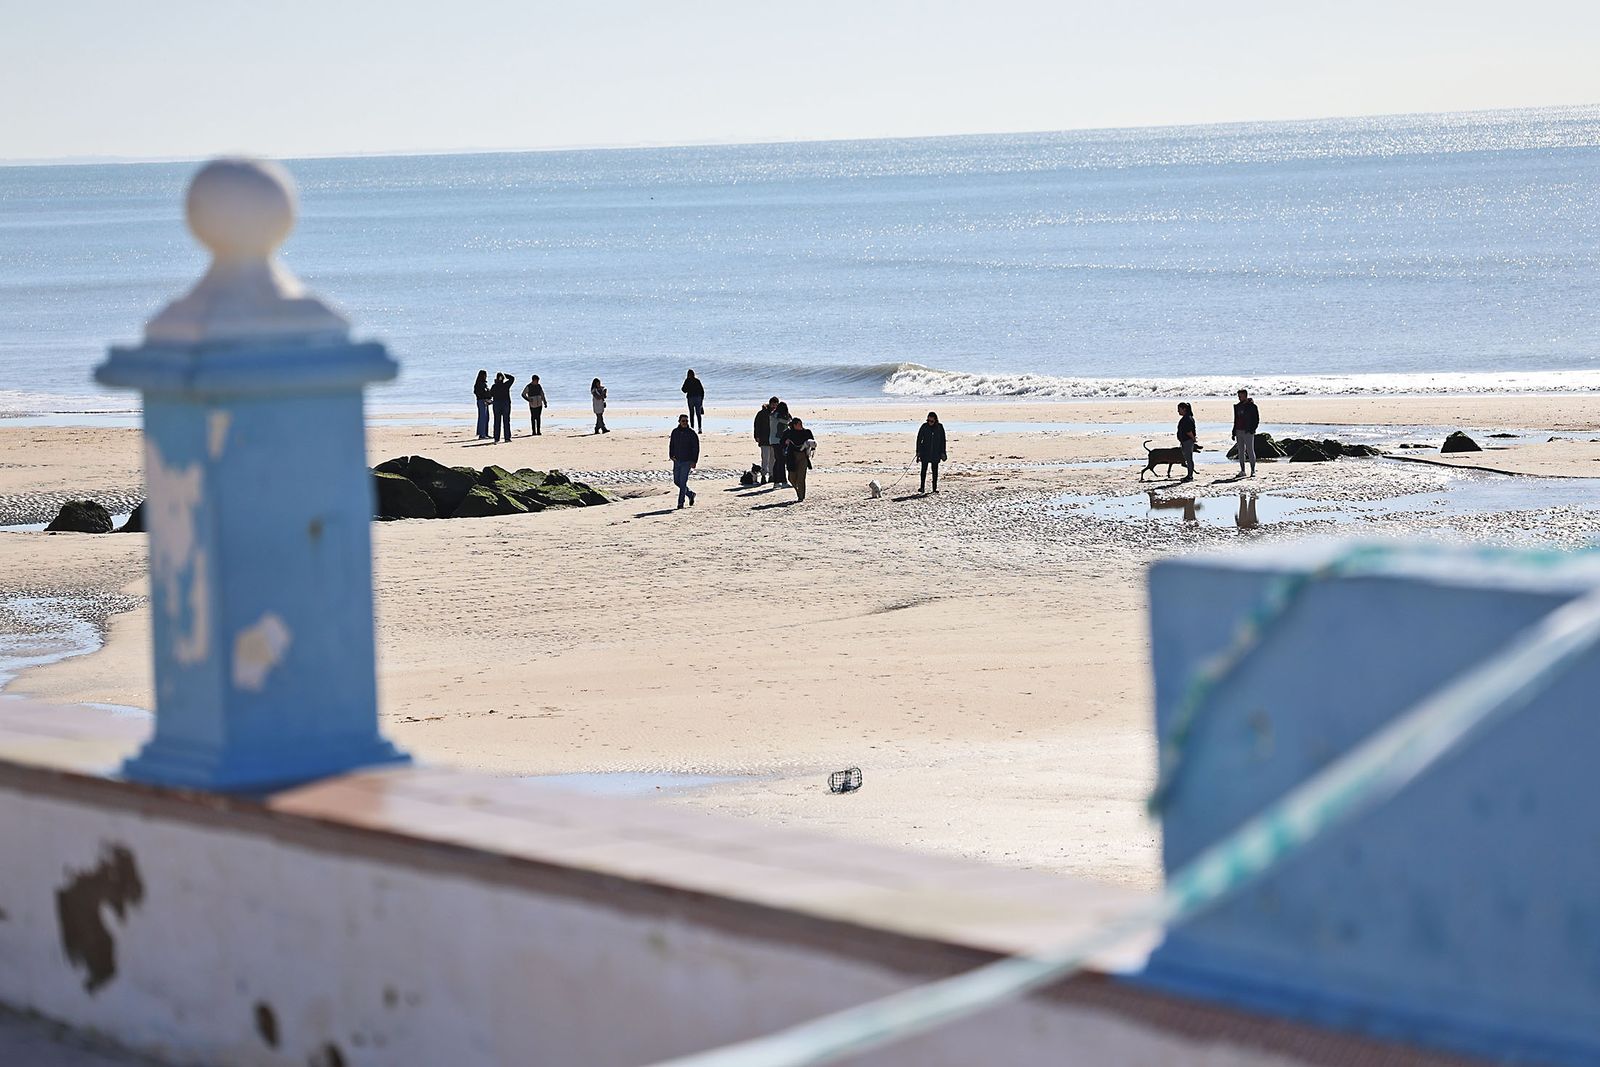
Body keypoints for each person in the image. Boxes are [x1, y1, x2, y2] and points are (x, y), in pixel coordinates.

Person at [781, 416, 816, 502]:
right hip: (791, 457)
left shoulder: (807, 432)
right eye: (799, 424)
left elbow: (813, 443)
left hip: (803, 456)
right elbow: (781, 443)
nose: (801, 425)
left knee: (801, 477)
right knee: (791, 478)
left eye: (801, 423)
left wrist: (810, 445)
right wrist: (786, 442)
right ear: (794, 425)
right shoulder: (788, 432)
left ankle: (801, 496)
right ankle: (797, 491)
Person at [669, 414, 699, 509]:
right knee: (676, 481)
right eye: (683, 421)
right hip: (677, 460)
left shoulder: (691, 433)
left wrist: (694, 461)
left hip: (687, 461)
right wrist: (671, 455)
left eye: (686, 421)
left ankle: (680, 503)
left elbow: (696, 448)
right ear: (679, 421)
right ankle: (690, 494)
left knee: (683, 483)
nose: (685, 423)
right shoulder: (675, 432)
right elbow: (671, 444)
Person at [915, 411, 947, 494]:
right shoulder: (924, 427)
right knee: (923, 471)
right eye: (928, 421)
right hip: (925, 452)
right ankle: (922, 487)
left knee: (935, 471)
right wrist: (918, 452)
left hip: (936, 453)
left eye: (932, 421)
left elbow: (943, 441)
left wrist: (943, 452)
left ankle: (934, 488)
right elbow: (919, 439)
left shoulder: (940, 427)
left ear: (935, 420)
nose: (930, 423)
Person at [1232, 388, 1260, 478]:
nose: (1239, 398)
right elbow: (1235, 420)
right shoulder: (1237, 406)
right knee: (1240, 451)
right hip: (1238, 430)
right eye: (1238, 396)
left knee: (1250, 450)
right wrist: (1233, 432)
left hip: (1248, 431)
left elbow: (1256, 419)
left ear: (1245, 396)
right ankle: (1242, 470)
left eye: (1240, 396)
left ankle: (1252, 470)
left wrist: (1252, 429)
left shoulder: (1252, 406)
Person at [753, 397, 777, 483]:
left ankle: (771, 475)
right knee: (765, 459)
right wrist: (756, 436)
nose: (774, 406)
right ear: (770, 404)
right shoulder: (762, 413)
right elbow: (757, 425)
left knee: (773, 459)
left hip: (774, 440)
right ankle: (763, 476)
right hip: (764, 439)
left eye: (775, 404)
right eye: (773, 404)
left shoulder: (777, 413)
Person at [768, 402, 790, 487]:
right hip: (778, 441)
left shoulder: (773, 415)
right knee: (781, 461)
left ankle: (777, 482)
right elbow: (787, 422)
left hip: (774, 440)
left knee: (778, 460)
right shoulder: (778, 416)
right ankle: (782, 481)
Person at [490, 372, 516, 443]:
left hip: (497, 404)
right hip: (505, 403)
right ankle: (507, 438)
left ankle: (496, 438)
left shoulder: (494, 386)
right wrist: (505, 375)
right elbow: (512, 378)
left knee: (497, 421)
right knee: (506, 421)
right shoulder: (506, 385)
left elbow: (490, 394)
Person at [1176, 402, 1197, 482]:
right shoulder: (1187, 418)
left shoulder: (1187, 418)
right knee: (1188, 459)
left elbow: (1188, 431)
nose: (1178, 411)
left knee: (1189, 459)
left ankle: (1190, 476)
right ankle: (1189, 475)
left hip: (1187, 441)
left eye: (1179, 409)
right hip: (1185, 440)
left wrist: (1193, 438)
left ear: (1184, 409)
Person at [473, 370, 490, 440]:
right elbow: (477, 392)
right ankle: (482, 434)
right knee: (482, 417)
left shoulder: (483, 383)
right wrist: (484, 397)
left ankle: (485, 433)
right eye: (485, 375)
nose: (486, 377)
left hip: (485, 400)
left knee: (486, 417)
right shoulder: (479, 384)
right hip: (481, 401)